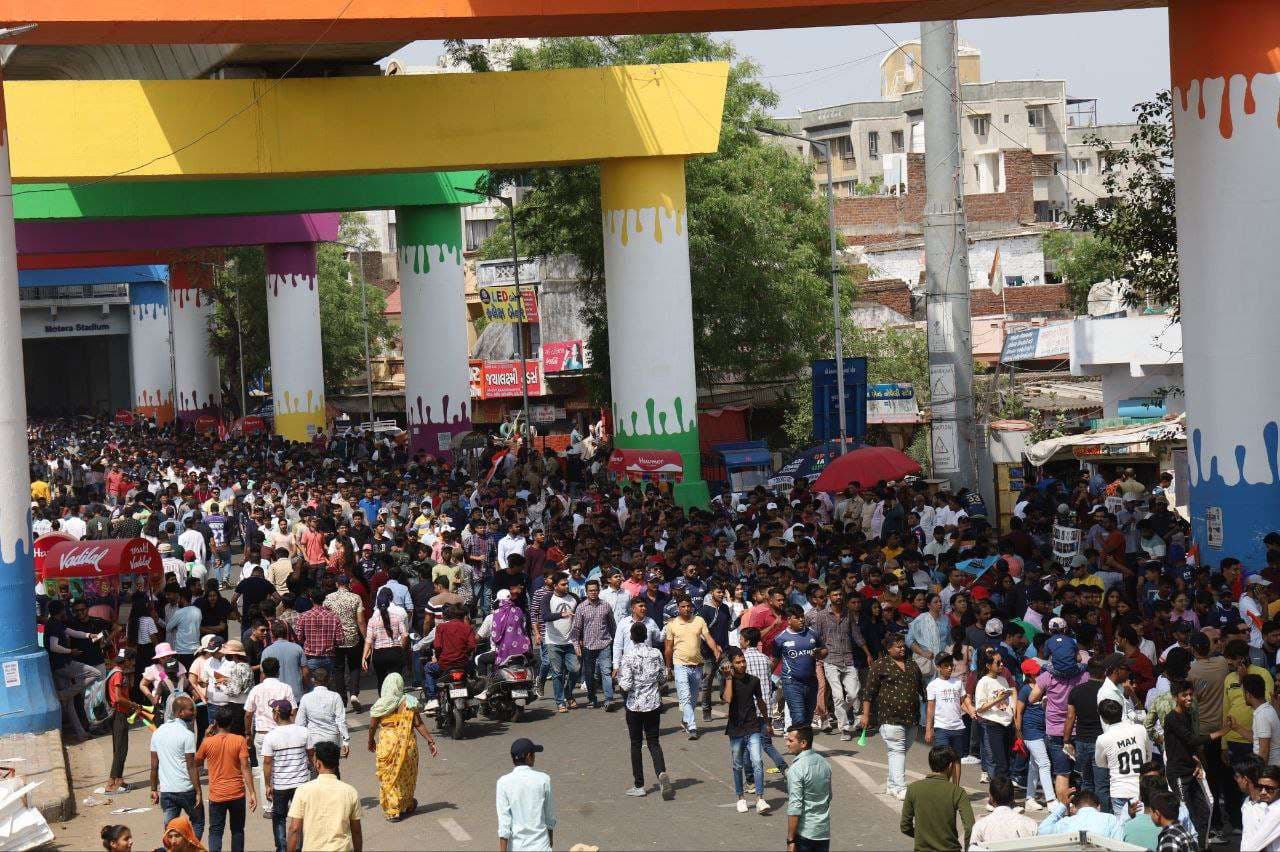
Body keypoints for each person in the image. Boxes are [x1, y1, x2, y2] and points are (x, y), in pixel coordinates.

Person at [1164, 678, 1230, 846]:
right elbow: (1192, 740)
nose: (1188, 698)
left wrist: (1197, 761)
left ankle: (1201, 844)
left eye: (1190, 695)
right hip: (1178, 773)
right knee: (1184, 812)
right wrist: (1222, 731)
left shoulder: (1188, 714)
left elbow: (1188, 745)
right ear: (1175, 697)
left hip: (1192, 771)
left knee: (1205, 809)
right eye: (1184, 695)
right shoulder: (1172, 718)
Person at [861, 634, 925, 799]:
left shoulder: (912, 664)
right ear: (889, 649)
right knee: (897, 750)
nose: (902, 648)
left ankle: (891, 784)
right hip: (889, 717)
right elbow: (868, 693)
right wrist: (866, 715)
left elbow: (921, 687)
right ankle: (900, 787)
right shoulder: (879, 665)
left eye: (903, 646)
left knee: (901, 751)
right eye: (898, 646)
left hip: (911, 717)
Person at [367, 672, 437, 822]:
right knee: (407, 775)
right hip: (408, 744)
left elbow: (372, 727)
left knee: (389, 777)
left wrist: (370, 741)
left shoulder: (380, 704)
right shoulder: (409, 701)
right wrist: (430, 741)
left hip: (387, 743)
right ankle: (407, 803)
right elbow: (418, 724)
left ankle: (393, 810)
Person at [615, 622, 672, 800]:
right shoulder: (656, 653)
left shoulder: (629, 655)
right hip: (653, 703)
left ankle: (639, 785)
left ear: (631, 637)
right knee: (654, 742)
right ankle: (661, 772)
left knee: (636, 744)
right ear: (646, 635)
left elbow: (626, 684)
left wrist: (619, 685)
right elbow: (663, 678)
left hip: (634, 705)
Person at [809, 586, 868, 741]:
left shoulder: (848, 614)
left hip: (848, 659)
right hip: (830, 659)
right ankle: (844, 728)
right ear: (830, 596)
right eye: (835, 594)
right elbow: (815, 636)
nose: (838, 596)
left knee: (855, 693)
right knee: (837, 696)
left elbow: (856, 635)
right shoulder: (821, 616)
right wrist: (817, 652)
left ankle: (843, 712)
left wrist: (868, 653)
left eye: (840, 594)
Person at [195, 705, 256, 852]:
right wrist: (252, 792)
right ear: (231, 722)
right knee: (237, 830)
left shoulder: (208, 742)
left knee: (215, 831)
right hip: (237, 793)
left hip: (217, 795)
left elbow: (196, 763)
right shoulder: (239, 740)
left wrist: (205, 737)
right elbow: (245, 767)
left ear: (215, 723)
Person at [286, 741, 362, 852]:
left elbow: (294, 828)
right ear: (337, 764)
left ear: (317, 764)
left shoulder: (303, 791)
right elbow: (356, 830)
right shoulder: (350, 792)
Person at [150, 695, 204, 842]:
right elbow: (191, 766)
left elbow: (154, 765)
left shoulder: (157, 733)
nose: (194, 712)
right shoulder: (187, 735)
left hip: (167, 791)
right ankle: (191, 849)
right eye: (191, 710)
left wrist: (153, 789)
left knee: (170, 829)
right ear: (180, 712)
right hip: (186, 789)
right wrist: (198, 791)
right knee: (198, 822)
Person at [723, 650, 771, 814]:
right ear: (731, 664)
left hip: (753, 726)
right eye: (738, 662)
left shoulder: (754, 681)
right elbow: (728, 699)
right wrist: (729, 678)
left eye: (743, 661)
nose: (742, 664)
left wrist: (767, 721)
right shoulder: (727, 681)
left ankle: (760, 798)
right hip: (736, 729)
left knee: (757, 762)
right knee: (737, 765)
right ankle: (740, 798)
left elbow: (760, 701)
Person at [900, 745, 973, 852]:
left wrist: (924, 837)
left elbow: (905, 826)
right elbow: (970, 827)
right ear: (950, 766)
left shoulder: (913, 788)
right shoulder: (957, 792)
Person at [261, 700, 311, 852]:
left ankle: (282, 848)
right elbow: (311, 755)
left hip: (281, 786)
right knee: (300, 818)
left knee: (279, 818)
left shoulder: (270, 737)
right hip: (302, 784)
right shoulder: (304, 731)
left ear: (276, 714)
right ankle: (299, 848)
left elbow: (268, 763)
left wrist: (268, 785)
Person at [496, 738, 557, 852]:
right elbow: (549, 816)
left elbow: (504, 823)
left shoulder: (503, 783)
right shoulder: (544, 779)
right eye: (534, 755)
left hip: (516, 847)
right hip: (541, 846)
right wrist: (550, 841)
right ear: (529, 757)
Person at [1094, 698, 1151, 817]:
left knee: (1123, 828)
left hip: (1119, 789)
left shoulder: (1103, 739)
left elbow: (1101, 764)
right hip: (1140, 786)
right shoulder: (1140, 729)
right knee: (1143, 825)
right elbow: (1148, 755)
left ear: (1103, 718)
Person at [773, 604, 825, 728]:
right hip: (792, 683)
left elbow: (824, 650)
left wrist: (819, 653)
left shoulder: (813, 633)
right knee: (799, 717)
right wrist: (766, 680)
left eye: (802, 616)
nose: (801, 620)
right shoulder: (780, 639)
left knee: (807, 719)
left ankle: (802, 745)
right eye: (797, 617)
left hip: (811, 682)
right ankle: (798, 744)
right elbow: (775, 660)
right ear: (789, 620)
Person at [571, 579, 617, 710]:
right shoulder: (581, 607)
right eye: (590, 590)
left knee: (606, 672)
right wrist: (576, 646)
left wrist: (616, 643)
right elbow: (576, 629)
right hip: (588, 647)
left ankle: (609, 700)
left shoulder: (606, 606)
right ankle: (592, 698)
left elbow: (612, 625)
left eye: (595, 590)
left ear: (599, 591)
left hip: (605, 644)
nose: (593, 593)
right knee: (589, 675)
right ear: (586, 592)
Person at [785, 725, 831, 852]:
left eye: (790, 740)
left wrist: (790, 840)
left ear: (803, 743)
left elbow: (795, 807)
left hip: (805, 833)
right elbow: (828, 797)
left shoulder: (796, 769)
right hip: (823, 832)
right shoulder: (824, 763)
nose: (787, 744)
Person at [974, 646, 1015, 784]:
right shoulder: (983, 682)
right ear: (988, 665)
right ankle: (999, 796)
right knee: (1000, 763)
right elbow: (980, 708)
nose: (1001, 664)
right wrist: (997, 699)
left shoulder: (1003, 680)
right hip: (992, 725)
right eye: (998, 662)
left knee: (1007, 762)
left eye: (1001, 661)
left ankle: (1003, 795)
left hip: (1007, 723)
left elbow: (1009, 700)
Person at [104, 649, 137, 794]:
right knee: (120, 750)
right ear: (127, 660)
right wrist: (133, 704)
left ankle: (119, 780)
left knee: (120, 748)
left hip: (119, 714)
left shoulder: (115, 672)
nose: (133, 663)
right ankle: (111, 784)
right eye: (132, 660)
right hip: (119, 714)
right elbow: (117, 698)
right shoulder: (118, 674)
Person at [969, 775, 1036, 845]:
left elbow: (973, 848)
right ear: (1013, 797)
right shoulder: (1030, 824)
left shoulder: (980, 825)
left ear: (991, 797)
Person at [296, 667, 350, 754]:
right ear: (329, 680)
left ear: (313, 680)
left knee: (316, 765)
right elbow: (341, 721)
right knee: (332, 765)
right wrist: (345, 741)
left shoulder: (306, 698)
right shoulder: (335, 696)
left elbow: (300, 723)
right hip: (332, 738)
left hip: (313, 739)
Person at [1037, 788, 1126, 839]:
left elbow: (1042, 830)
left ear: (1074, 808)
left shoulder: (1065, 823)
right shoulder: (1110, 819)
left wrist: (1062, 805)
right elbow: (1118, 843)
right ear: (1098, 807)